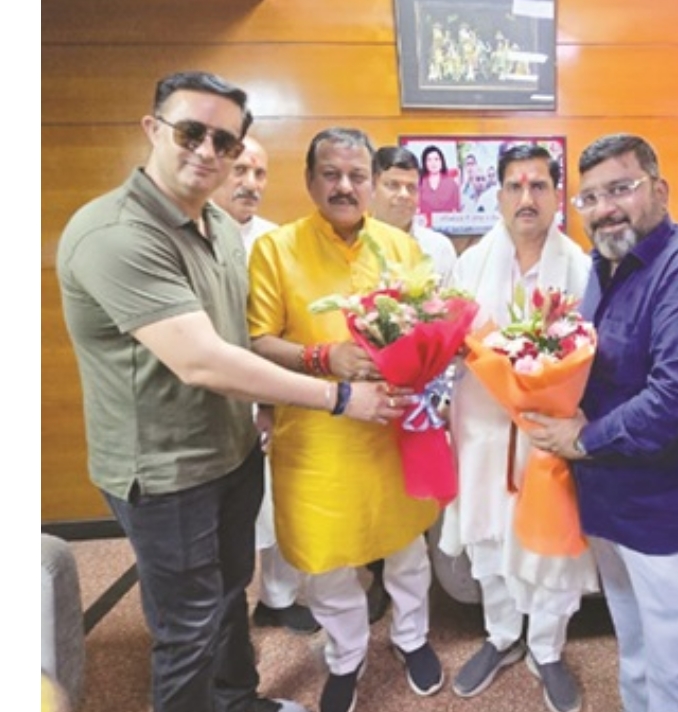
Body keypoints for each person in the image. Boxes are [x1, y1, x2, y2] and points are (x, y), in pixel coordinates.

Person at [56, 70, 405, 712]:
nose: (208, 151)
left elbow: (242, 331)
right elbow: (203, 360)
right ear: (153, 129)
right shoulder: (116, 233)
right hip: (164, 471)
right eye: (191, 132)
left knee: (227, 597)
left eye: (225, 141)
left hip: (230, 450)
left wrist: (266, 406)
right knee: (186, 629)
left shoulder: (218, 224)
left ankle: (238, 700)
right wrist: (337, 395)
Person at [525, 134, 678, 712]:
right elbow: (607, 363)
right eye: (590, 198)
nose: (605, 208)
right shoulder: (606, 264)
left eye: (621, 189)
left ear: (660, 190)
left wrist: (581, 438)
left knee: (676, 669)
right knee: (635, 650)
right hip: (616, 497)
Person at [246, 127, 445, 712]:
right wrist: (322, 357)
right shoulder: (276, 249)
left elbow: (429, 327)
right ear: (310, 181)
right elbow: (257, 342)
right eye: (330, 174)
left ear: (373, 183)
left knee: (406, 546)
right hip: (316, 438)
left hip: (392, 430)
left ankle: (412, 637)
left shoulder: (401, 248)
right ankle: (346, 655)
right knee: (328, 558)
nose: (344, 186)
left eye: (357, 176)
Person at [440, 144, 598, 712]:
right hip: (482, 431)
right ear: (499, 195)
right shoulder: (470, 265)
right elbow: (451, 342)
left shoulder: (583, 269)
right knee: (488, 536)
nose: (526, 197)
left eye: (538, 185)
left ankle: (547, 649)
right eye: (514, 186)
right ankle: (502, 634)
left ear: (557, 195)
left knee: (548, 547)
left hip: (548, 437)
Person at [211, 134, 320, 636]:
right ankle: (225, 615)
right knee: (224, 519)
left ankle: (278, 598)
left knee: (276, 502)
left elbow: (287, 329)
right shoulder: (192, 236)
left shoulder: (277, 242)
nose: (251, 183)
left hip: (271, 393)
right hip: (211, 397)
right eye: (240, 170)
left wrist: (271, 403)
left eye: (260, 173)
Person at [371, 145, 458, 278]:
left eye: (411, 187)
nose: (404, 195)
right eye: (393, 185)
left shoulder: (438, 248)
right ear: (372, 188)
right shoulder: (356, 244)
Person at [417, 144, 461, 217]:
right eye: (429, 160)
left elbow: (457, 210)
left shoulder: (452, 183)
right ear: (425, 163)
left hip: (447, 222)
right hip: (424, 222)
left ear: (442, 161)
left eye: (436, 159)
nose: (433, 163)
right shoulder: (419, 183)